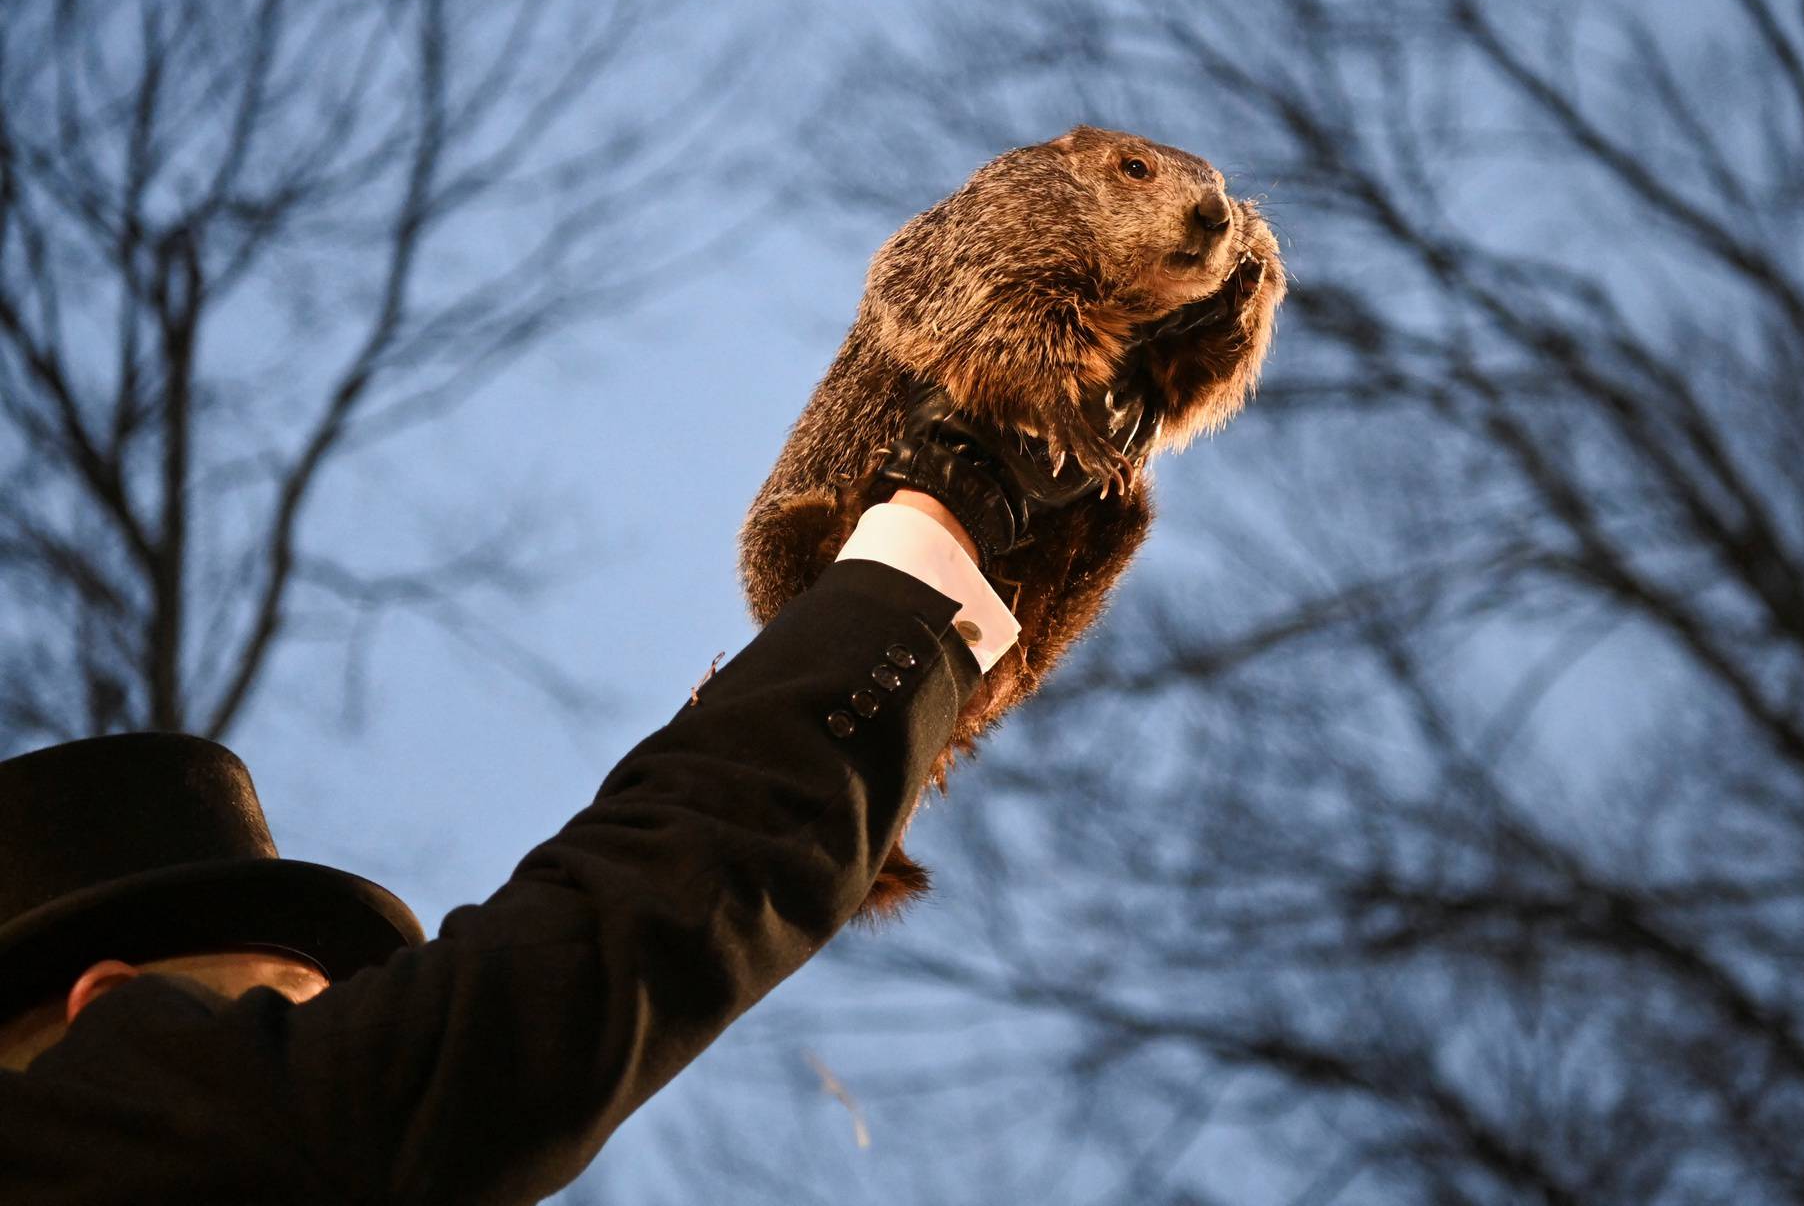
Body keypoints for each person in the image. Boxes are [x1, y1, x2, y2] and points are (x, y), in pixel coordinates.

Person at [0, 392, 1125, 1204]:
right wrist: (946, 515)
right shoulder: (127, 1140)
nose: (352, 1040)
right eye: (290, 1018)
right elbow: (612, 938)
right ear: (110, 1008)